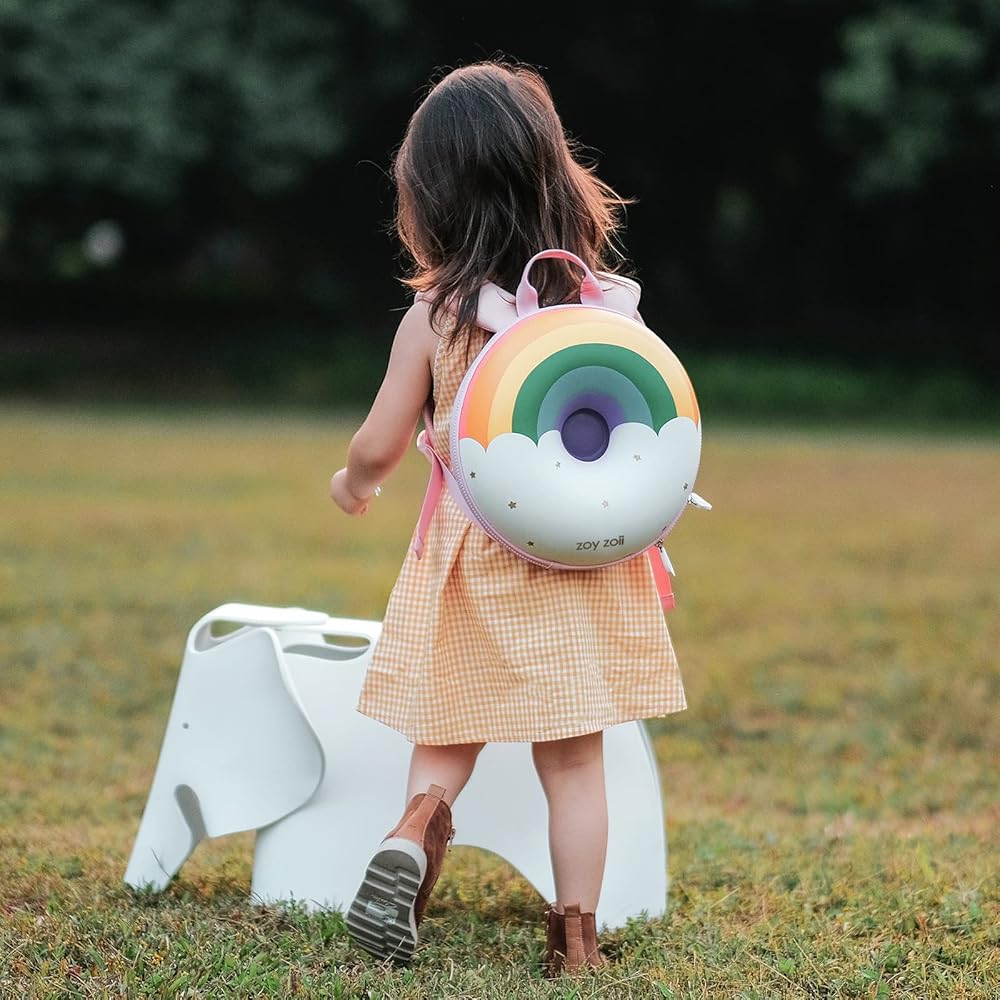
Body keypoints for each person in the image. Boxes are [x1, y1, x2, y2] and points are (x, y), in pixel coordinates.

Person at [329, 60, 686, 975]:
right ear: (554, 176)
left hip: (472, 562)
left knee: (447, 732)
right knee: (573, 764)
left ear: (430, 198)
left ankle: (414, 832)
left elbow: (377, 444)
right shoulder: (603, 312)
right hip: (581, 562)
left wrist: (353, 483)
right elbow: (653, 430)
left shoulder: (436, 318)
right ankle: (576, 943)